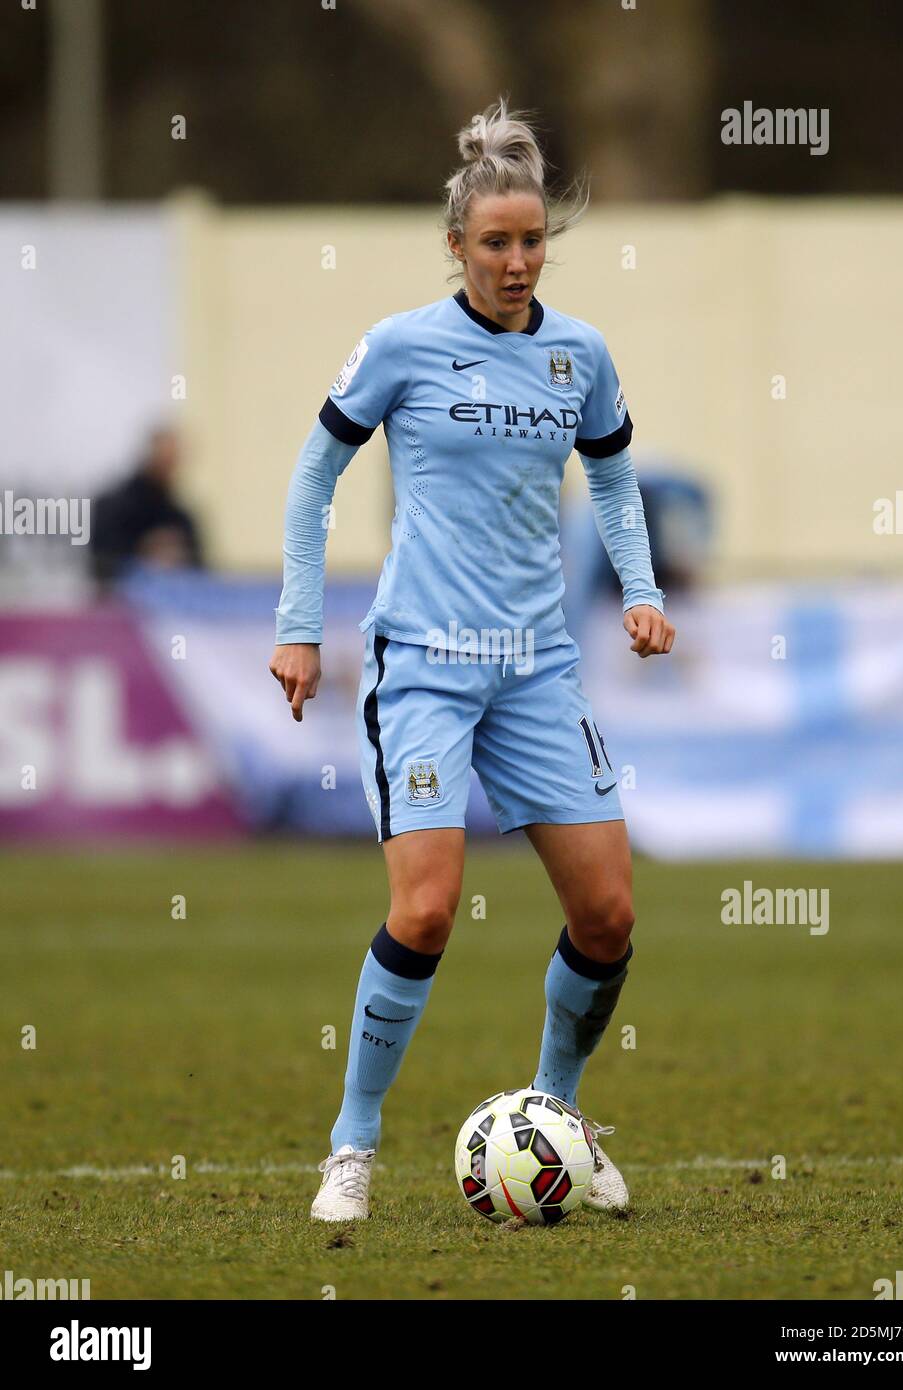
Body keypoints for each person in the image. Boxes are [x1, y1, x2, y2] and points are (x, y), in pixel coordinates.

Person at [269, 98, 675, 1222]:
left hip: (538, 667)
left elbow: (615, 478)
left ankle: (557, 1120)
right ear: (457, 246)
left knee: (608, 916)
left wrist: (640, 593)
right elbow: (314, 476)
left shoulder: (579, 355)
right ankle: (351, 1145)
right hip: (428, 666)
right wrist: (301, 624)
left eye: (532, 240)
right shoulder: (401, 345)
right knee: (428, 912)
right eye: (494, 242)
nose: (514, 260)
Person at [90, 427, 204, 586]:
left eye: (173, 460)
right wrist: (143, 551)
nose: (169, 467)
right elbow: (100, 562)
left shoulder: (180, 518)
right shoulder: (112, 509)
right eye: (164, 459)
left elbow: (201, 570)